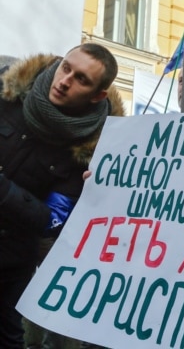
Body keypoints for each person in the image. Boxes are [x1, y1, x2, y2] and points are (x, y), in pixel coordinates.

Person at [0, 43, 123, 349]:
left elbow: (51, 220)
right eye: (65, 67)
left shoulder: (93, 150)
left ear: (98, 96)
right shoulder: (7, 90)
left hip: (10, 263)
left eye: (81, 78)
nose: (65, 80)